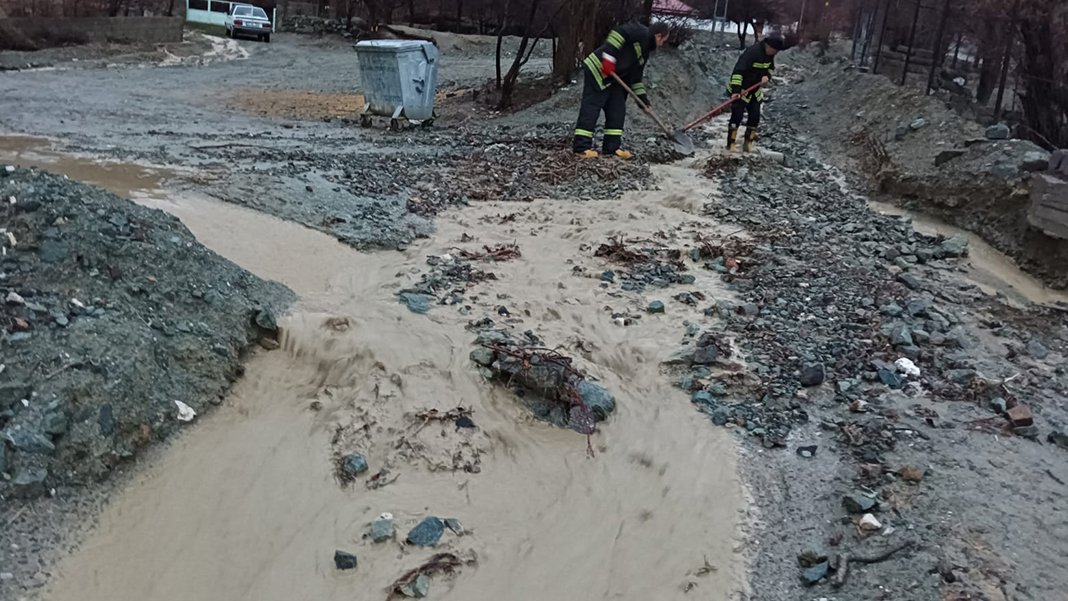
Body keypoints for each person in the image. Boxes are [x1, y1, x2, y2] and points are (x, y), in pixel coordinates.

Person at [573, 21, 671, 160]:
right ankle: (581, 148)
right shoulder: (640, 31)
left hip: (615, 78)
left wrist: (643, 101)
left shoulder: (644, 53)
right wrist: (608, 59)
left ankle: (612, 148)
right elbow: (617, 33)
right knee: (591, 108)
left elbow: (636, 79)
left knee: (617, 110)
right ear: (659, 36)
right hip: (598, 69)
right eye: (663, 41)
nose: (661, 45)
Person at [726, 34, 786, 152]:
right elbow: (738, 72)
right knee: (737, 115)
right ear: (767, 46)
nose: (774, 53)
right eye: (773, 51)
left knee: (755, 115)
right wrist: (736, 90)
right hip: (741, 88)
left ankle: (748, 144)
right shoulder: (752, 53)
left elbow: (769, 68)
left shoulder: (770, 55)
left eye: (776, 52)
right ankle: (730, 144)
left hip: (754, 90)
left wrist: (766, 76)